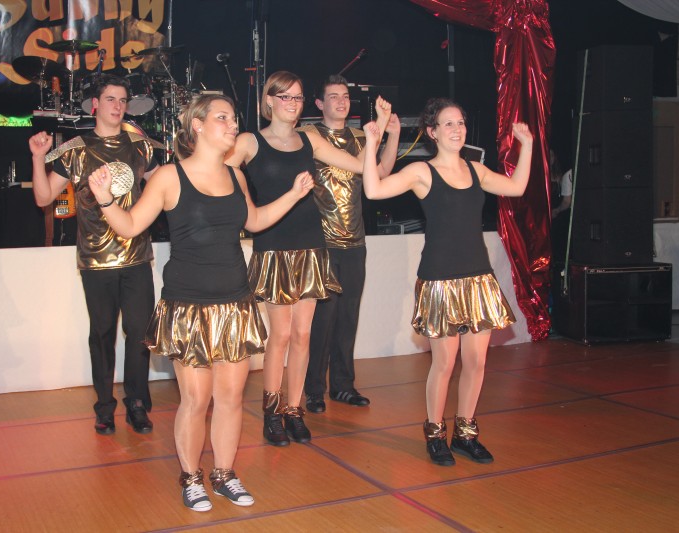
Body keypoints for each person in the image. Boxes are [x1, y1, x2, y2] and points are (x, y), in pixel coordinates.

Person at [86, 94, 315, 511]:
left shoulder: (236, 176)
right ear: (197, 125)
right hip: (187, 308)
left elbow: (255, 221)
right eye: (222, 118)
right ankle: (191, 477)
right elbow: (131, 225)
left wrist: (294, 195)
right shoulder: (169, 177)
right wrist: (104, 200)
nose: (232, 125)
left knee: (231, 398)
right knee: (196, 400)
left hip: (235, 303)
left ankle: (224, 474)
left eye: (234, 118)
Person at [361, 97, 533, 466]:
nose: (458, 129)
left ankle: (466, 433)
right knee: (444, 364)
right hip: (440, 280)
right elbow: (373, 191)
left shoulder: (476, 170)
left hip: (478, 279)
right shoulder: (422, 172)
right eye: (449, 124)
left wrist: (528, 145)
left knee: (477, 362)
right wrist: (372, 143)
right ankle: (435, 433)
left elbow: (517, 187)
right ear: (433, 132)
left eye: (461, 123)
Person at [226, 71, 393, 447]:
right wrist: (243, 201)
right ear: (269, 100)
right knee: (281, 335)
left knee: (303, 334)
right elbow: (220, 169)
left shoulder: (310, 140)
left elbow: (358, 165)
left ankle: (294, 409)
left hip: (312, 246)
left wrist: (378, 129)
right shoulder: (250, 141)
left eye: (298, 97)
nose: (292, 103)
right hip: (274, 246)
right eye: (285, 96)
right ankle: (272, 413)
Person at [29, 74, 158, 436]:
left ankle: (137, 404)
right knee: (101, 334)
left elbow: (164, 187)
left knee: (140, 333)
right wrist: (38, 158)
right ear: (96, 105)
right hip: (96, 260)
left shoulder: (140, 146)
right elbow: (43, 197)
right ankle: (104, 407)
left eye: (123, 100)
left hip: (136, 256)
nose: (118, 106)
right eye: (111, 99)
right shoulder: (75, 149)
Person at [300, 74, 401, 414]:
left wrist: (392, 135)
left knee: (348, 318)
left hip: (355, 242)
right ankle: (313, 389)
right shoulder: (310, 136)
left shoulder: (361, 137)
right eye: (333, 96)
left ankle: (343, 386)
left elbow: (382, 172)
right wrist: (379, 128)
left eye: (345, 96)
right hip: (322, 243)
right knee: (322, 320)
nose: (341, 101)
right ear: (319, 103)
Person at [549, 149, 573, 264]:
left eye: (551, 155)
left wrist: (557, 210)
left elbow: (565, 199)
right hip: (546, 212)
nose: (550, 158)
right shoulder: (539, 175)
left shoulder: (561, 174)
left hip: (558, 211)